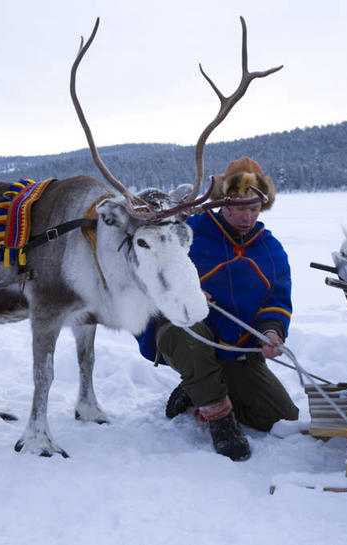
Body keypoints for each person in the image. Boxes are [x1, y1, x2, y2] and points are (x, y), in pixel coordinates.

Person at [137, 157, 298, 461]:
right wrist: (187, 291)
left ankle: (196, 388)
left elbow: (276, 299)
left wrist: (271, 331)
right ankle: (220, 418)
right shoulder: (188, 233)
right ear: (223, 203)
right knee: (189, 332)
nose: (247, 217)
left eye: (254, 209)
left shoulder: (269, 248)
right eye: (239, 208)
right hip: (183, 334)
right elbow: (150, 275)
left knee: (280, 418)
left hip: (236, 351)